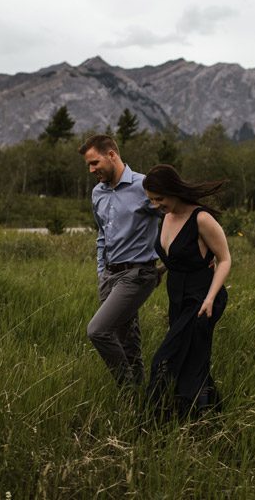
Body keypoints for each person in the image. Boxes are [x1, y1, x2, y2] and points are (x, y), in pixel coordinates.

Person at [142, 164, 231, 418]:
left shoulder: (201, 218)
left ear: (174, 191)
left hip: (202, 299)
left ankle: (152, 421)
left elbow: (224, 260)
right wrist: (161, 270)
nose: (156, 204)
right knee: (192, 359)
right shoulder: (166, 217)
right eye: (151, 200)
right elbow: (179, 257)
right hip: (178, 299)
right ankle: (210, 417)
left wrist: (210, 298)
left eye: (160, 198)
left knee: (164, 360)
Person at [79, 134, 160, 388]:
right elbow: (102, 234)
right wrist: (101, 271)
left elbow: (173, 220)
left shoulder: (144, 185)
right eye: (89, 165)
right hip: (110, 276)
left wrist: (166, 264)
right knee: (127, 341)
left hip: (137, 274)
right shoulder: (98, 193)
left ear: (112, 155)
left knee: (98, 331)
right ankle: (138, 402)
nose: (92, 170)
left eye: (94, 163)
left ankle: (127, 388)